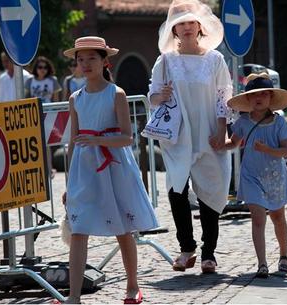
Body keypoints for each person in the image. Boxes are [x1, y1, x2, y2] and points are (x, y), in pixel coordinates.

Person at [62, 36, 159, 304]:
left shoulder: (116, 93)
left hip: (114, 166)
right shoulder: (75, 98)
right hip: (84, 168)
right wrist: (69, 183)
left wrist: (98, 140)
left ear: (105, 61)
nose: (85, 64)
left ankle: (132, 286)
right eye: (80, 60)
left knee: (122, 227)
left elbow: (128, 137)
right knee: (79, 228)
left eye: (91, 58)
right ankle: (73, 297)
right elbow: (72, 141)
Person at [148, 0, 232, 273]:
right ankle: (187, 248)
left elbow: (223, 98)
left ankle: (209, 252)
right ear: (173, 29)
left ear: (200, 26)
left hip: (208, 133)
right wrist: (161, 95)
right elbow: (152, 95)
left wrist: (222, 130)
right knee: (176, 190)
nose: (185, 27)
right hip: (177, 137)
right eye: (180, 23)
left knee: (211, 190)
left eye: (190, 22)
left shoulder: (215, 60)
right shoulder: (166, 61)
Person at [224, 72, 287, 278]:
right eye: (254, 94)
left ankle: (283, 255)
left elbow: (285, 152)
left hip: (275, 177)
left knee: (278, 217)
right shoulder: (243, 122)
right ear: (247, 98)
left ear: (271, 97)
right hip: (251, 176)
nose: (259, 98)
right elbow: (233, 143)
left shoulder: (279, 123)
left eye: (264, 94)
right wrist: (217, 145)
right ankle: (262, 263)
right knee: (257, 218)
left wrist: (267, 150)